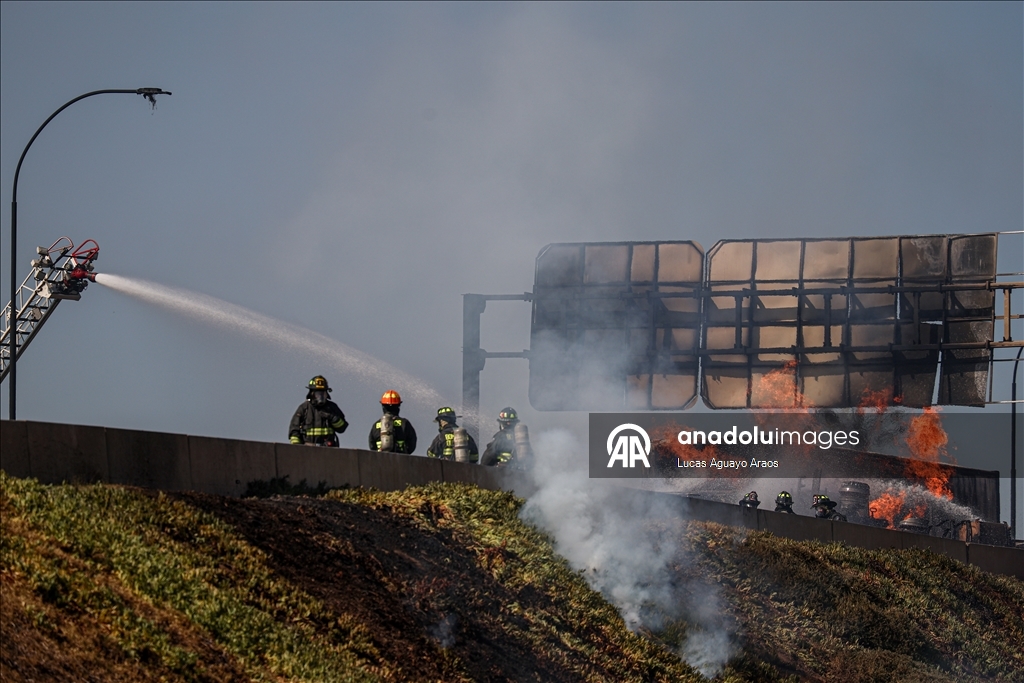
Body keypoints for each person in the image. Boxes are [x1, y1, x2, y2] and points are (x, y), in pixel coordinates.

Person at [289, 375, 348, 447]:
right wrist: (297, 448)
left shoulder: (332, 407)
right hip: (308, 450)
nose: (320, 397)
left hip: (329, 451)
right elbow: (294, 431)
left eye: (323, 394)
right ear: (311, 394)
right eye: (318, 394)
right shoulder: (304, 408)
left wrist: (333, 418)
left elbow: (342, 428)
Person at [368, 390, 417, 454]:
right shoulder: (405, 423)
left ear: (383, 406)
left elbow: (372, 446)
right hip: (401, 460)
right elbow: (412, 444)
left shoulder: (376, 425)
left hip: (380, 461)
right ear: (398, 406)